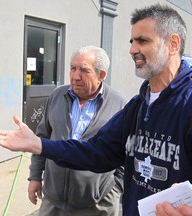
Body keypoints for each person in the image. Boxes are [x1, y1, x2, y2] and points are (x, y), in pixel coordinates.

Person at [0, 4, 192, 216]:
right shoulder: (138, 107)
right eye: (131, 42)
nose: (132, 50)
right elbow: (97, 152)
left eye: (142, 41)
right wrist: (40, 145)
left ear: (173, 44)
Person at [28, 45, 127, 216]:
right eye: (73, 68)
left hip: (97, 204)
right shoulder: (57, 96)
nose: (75, 76)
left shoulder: (119, 105)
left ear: (101, 75)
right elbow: (42, 138)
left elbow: (126, 154)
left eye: (84, 70)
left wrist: (115, 189)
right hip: (53, 201)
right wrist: (35, 176)